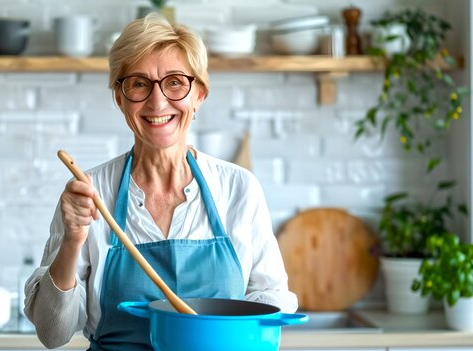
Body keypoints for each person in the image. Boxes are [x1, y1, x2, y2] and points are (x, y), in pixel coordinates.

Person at [24, 14, 298, 351]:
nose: (157, 102)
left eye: (175, 82)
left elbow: (270, 300)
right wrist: (72, 240)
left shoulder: (238, 188)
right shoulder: (89, 193)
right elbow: (52, 334)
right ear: (119, 98)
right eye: (138, 83)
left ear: (199, 94)